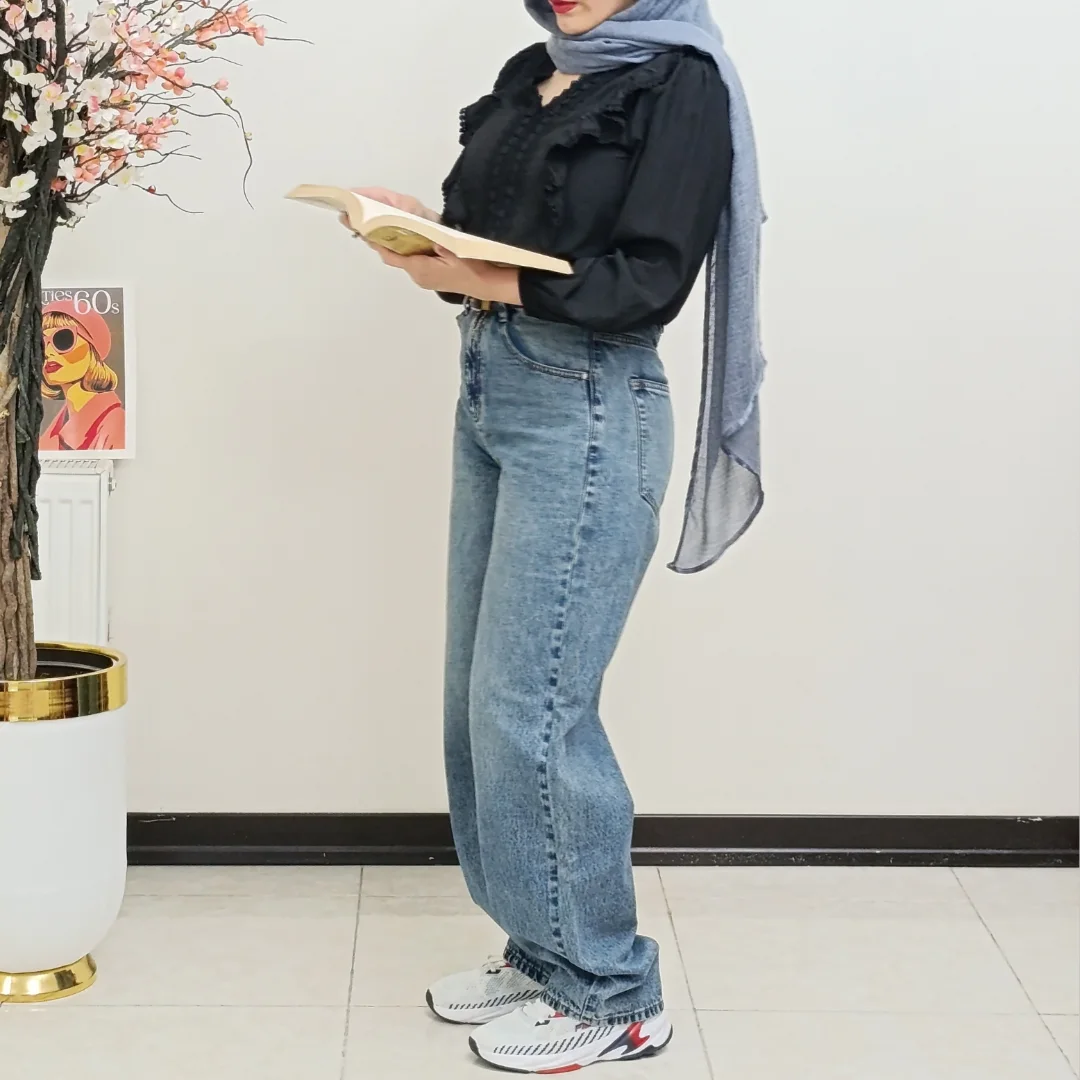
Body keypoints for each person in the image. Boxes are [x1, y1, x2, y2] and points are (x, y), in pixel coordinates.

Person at [348, 0, 766, 1071]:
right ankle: (543, 953)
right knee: (476, 700)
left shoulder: (681, 83)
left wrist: (474, 276)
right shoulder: (531, 69)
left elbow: (648, 280)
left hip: (588, 405)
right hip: (493, 386)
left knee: (533, 707)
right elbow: (495, 234)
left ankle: (614, 993)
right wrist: (418, 232)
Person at [39, 300, 126, 453]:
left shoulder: (114, 423)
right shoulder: (52, 431)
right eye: (40, 343)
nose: (47, 352)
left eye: (63, 339)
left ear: (92, 350)